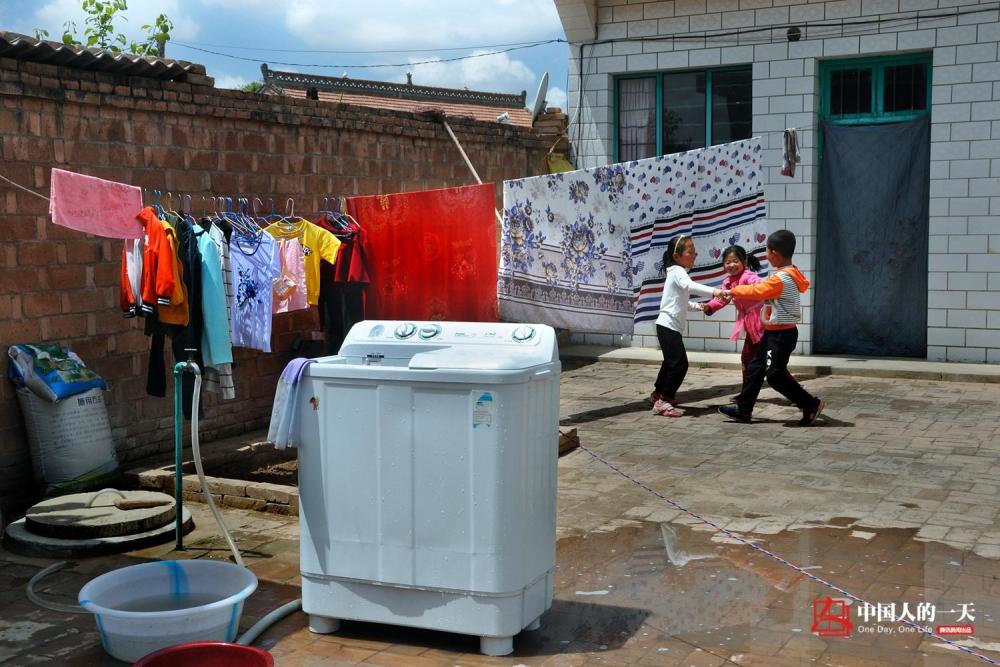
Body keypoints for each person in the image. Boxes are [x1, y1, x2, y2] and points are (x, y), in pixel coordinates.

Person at [717, 230, 825, 426]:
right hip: (774, 332)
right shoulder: (789, 272)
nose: (765, 255)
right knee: (756, 367)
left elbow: (758, 291)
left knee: (774, 375)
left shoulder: (781, 278)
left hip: (781, 335)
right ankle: (743, 409)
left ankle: (811, 404)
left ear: (774, 253)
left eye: (766, 251)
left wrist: (732, 291)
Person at [651, 234, 725, 417]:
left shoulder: (676, 272)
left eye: (695, 252)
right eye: (690, 252)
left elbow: (679, 302)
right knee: (679, 365)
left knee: (670, 363)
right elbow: (690, 287)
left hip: (668, 326)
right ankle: (664, 401)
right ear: (677, 256)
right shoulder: (677, 271)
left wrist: (699, 306)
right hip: (667, 325)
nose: (694, 255)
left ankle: (657, 394)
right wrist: (716, 292)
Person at [700, 245, 764, 387]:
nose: (731, 265)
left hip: (762, 321)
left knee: (771, 362)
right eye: (727, 262)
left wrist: (740, 290)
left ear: (744, 262)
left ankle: (795, 390)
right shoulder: (728, 282)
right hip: (750, 324)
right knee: (747, 358)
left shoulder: (749, 276)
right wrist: (710, 306)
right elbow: (722, 298)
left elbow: (760, 286)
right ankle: (747, 392)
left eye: (735, 261)